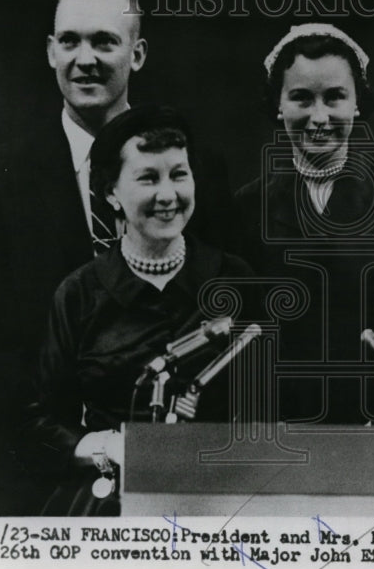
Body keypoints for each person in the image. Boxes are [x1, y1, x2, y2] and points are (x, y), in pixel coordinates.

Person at [0, 0, 234, 515]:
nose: (85, 59)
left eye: (105, 41)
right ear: (50, 51)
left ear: (138, 52)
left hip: (187, 479)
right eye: (70, 41)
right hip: (44, 477)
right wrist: (78, 449)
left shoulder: (196, 172)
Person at [18, 106, 256, 516]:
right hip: (111, 501)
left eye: (179, 174)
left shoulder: (234, 280)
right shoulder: (78, 294)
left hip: (222, 501)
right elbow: (40, 424)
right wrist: (109, 448)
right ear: (111, 192)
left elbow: (265, 408)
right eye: (148, 177)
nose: (168, 195)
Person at [233, 24, 374, 425]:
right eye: (301, 98)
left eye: (334, 97)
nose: (319, 117)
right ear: (279, 105)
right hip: (275, 423)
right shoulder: (247, 207)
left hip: (373, 423)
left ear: (356, 103)